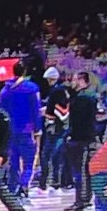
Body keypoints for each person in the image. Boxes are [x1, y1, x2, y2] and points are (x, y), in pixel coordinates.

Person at [0, 61, 40, 197]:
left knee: (13, 162)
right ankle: (24, 185)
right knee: (28, 162)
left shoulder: (4, 91)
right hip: (26, 131)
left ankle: (13, 188)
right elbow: (36, 110)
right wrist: (37, 129)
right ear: (25, 71)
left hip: (10, 132)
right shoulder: (31, 88)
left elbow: (1, 112)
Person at [65, 71, 98, 211]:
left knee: (81, 172)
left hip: (80, 139)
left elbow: (79, 121)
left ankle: (82, 200)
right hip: (85, 138)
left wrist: (71, 135)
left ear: (80, 80)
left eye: (73, 79)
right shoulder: (86, 96)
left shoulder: (83, 98)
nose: (71, 82)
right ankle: (82, 199)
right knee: (82, 171)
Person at [38, 67, 70, 195]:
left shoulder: (58, 91)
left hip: (55, 129)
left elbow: (61, 111)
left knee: (50, 156)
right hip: (56, 128)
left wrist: (47, 113)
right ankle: (52, 183)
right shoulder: (60, 90)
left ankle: (49, 183)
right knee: (53, 156)